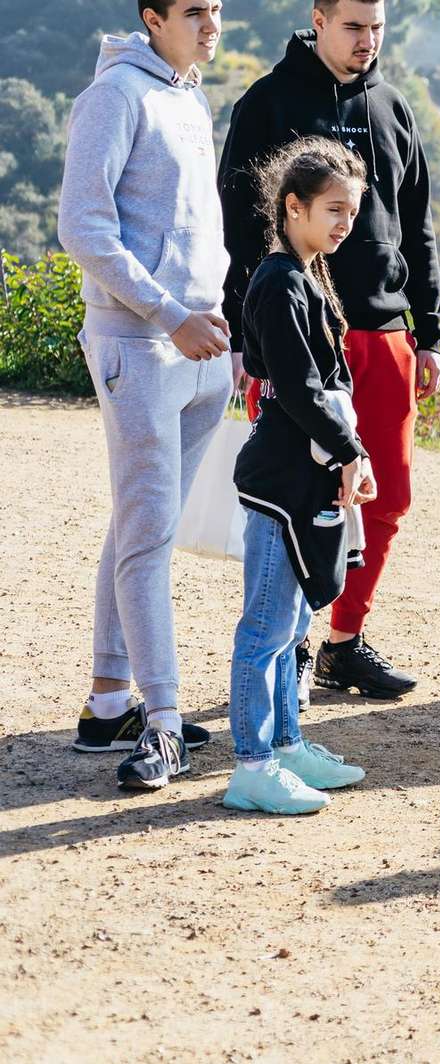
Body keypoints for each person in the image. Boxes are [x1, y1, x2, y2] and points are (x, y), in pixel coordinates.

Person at [220, 0, 440, 701]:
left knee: (386, 495)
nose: (367, 40)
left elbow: (418, 224)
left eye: (377, 27)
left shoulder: (393, 107)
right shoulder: (268, 102)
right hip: (296, 328)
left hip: (385, 331)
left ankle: (343, 643)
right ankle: (286, 645)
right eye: (353, 26)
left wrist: (429, 331)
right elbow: (237, 226)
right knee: (296, 493)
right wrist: (244, 336)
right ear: (318, 20)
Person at [58, 0, 231, 790]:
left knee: (141, 525)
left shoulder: (190, 96)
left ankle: (107, 705)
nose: (211, 24)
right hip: (139, 343)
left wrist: (220, 321)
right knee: (149, 534)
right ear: (154, 17)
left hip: (202, 343)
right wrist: (168, 315)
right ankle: (162, 722)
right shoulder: (115, 96)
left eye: (217, 9)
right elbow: (83, 228)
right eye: (194, 11)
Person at [226, 137, 374, 815]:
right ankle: (252, 767)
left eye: (353, 211)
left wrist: (346, 453)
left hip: (302, 474)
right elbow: (298, 387)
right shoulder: (280, 282)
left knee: (288, 625)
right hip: (280, 481)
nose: (345, 222)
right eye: (333, 209)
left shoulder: (305, 276)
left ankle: (286, 746)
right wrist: (350, 452)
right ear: (294, 207)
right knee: (265, 627)